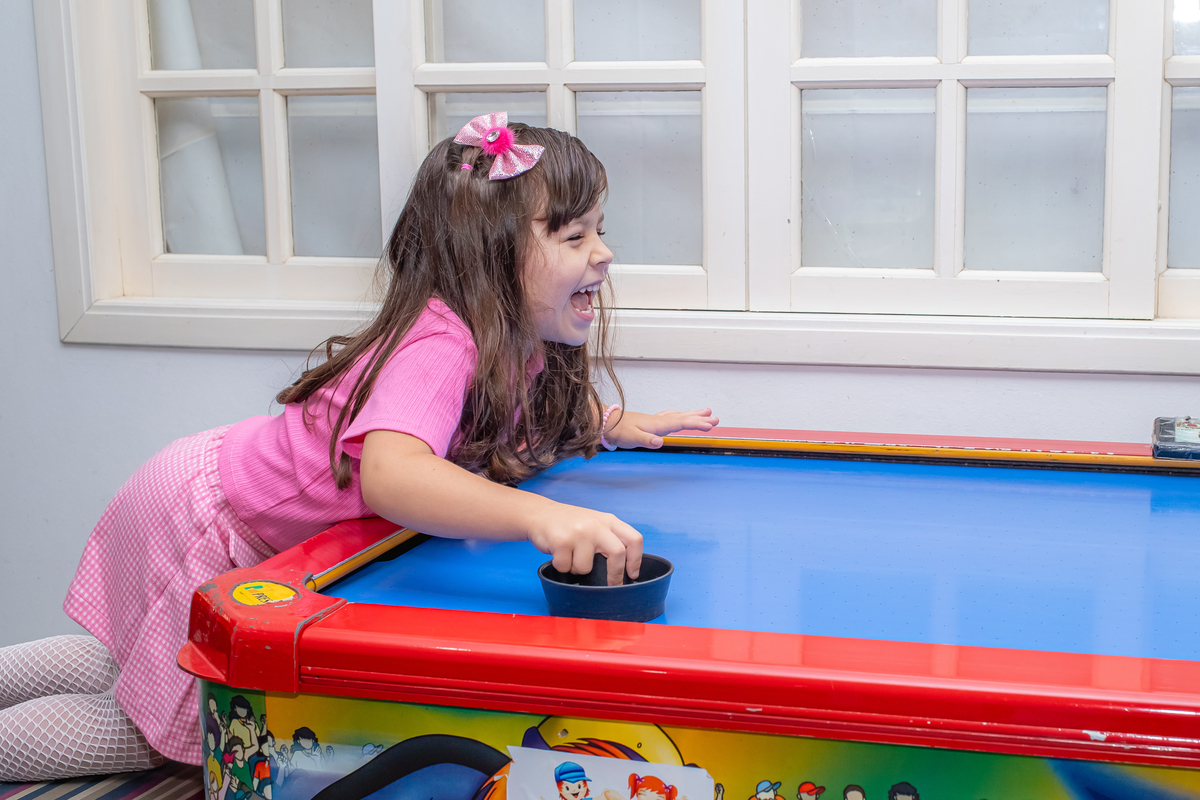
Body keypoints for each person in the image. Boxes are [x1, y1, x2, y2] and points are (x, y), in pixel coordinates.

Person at [0, 112, 718, 782]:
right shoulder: (441, 342)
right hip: (206, 518)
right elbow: (393, 474)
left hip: (213, 489)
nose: (605, 253)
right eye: (575, 237)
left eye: (600, 230)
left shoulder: (512, 342)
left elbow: (509, 415)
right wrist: (542, 517)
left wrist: (610, 421)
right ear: (492, 252)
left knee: (134, 668)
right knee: (181, 730)